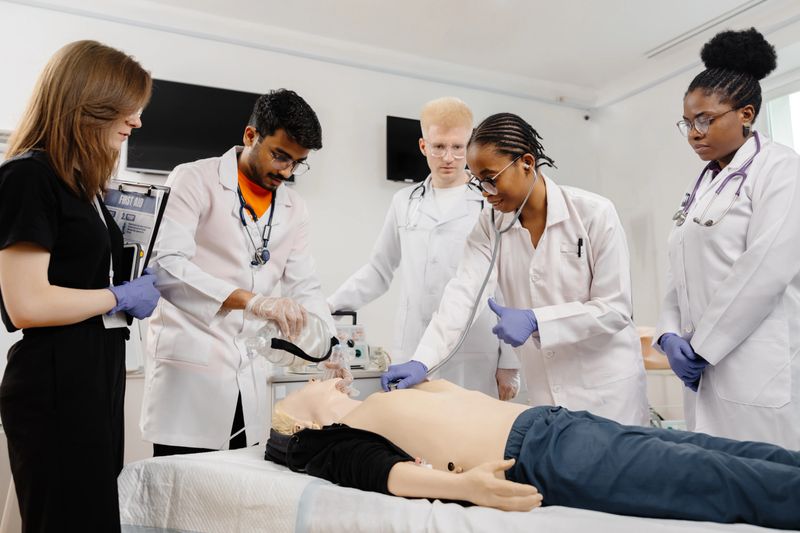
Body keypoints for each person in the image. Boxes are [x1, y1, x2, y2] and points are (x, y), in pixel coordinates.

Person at [382, 113, 648, 425]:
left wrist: (538, 320)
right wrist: (422, 360)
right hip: (546, 391)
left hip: (607, 391)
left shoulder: (594, 213)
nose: (486, 192)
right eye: (478, 181)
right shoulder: (490, 224)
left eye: (491, 178)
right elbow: (462, 295)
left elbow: (615, 308)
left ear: (526, 163)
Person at [268, 378, 800, 529]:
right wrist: (465, 487)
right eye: (309, 386)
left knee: (716, 450)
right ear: (301, 422)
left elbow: (464, 402)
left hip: (556, 422)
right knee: (715, 478)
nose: (324, 378)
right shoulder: (335, 436)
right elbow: (384, 474)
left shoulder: (379, 400)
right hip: (541, 454)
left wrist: (425, 380)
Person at [0, 41, 158, 531]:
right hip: (57, 379)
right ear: (89, 103)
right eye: (128, 110)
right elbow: (25, 303)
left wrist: (125, 286)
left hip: (95, 370)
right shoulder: (29, 177)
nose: (135, 123)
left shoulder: (80, 185)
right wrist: (117, 297)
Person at [141, 89, 336, 456]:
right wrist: (255, 302)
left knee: (236, 494)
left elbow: (305, 284)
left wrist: (331, 346)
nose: (286, 171)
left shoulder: (294, 207)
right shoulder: (194, 179)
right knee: (183, 491)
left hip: (249, 372)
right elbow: (167, 265)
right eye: (280, 156)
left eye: (297, 162)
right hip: (191, 370)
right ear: (250, 136)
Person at [655, 28, 800, 449]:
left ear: (746, 114)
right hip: (704, 367)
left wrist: (703, 346)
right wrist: (668, 334)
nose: (694, 132)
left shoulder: (781, 169)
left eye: (705, 119)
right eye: (687, 122)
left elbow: (766, 267)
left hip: (756, 364)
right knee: (715, 483)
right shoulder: (704, 183)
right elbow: (678, 266)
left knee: (766, 487)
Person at [328, 97, 520, 399]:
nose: (448, 157)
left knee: (470, 436)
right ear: (423, 146)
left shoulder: (490, 201)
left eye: (458, 147)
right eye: (439, 146)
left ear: (470, 146)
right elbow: (379, 270)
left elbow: (507, 282)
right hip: (413, 345)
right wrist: (328, 305)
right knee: (412, 438)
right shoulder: (404, 202)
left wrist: (509, 361)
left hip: (474, 347)